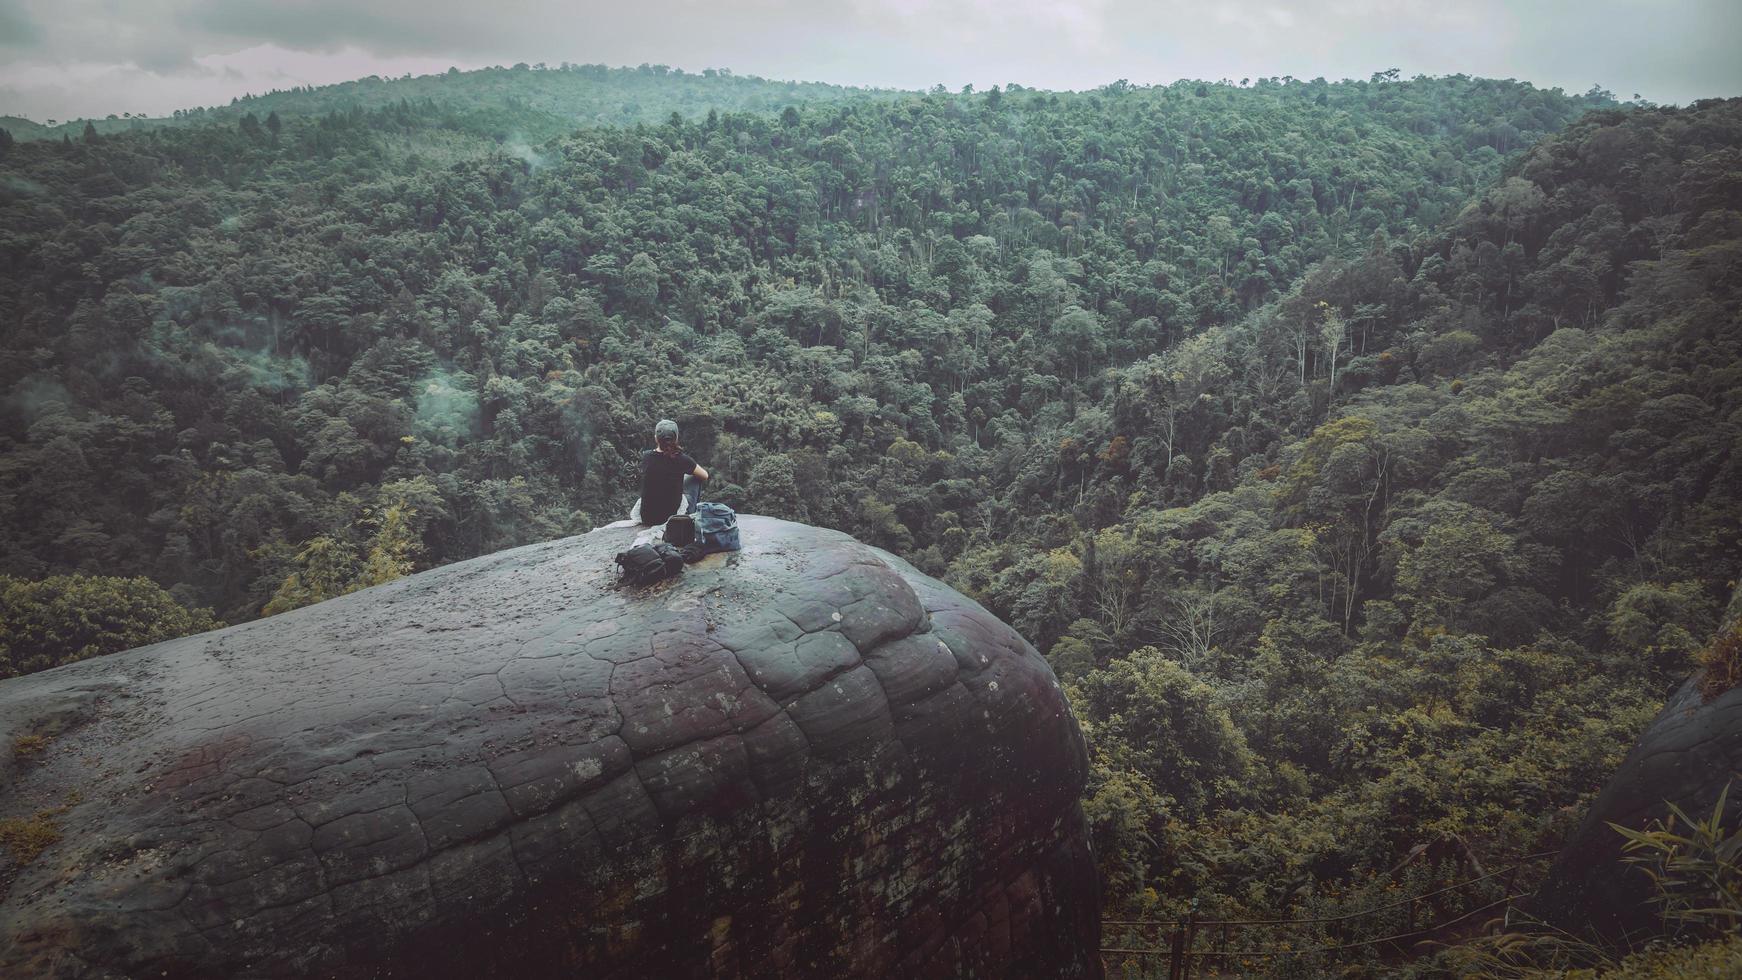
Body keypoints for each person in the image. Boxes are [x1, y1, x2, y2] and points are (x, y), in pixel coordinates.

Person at [632, 418, 708, 525]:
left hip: (647, 517)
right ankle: (691, 517)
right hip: (671, 518)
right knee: (695, 479)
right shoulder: (682, 459)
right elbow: (705, 475)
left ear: (656, 439)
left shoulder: (646, 456)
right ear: (676, 438)